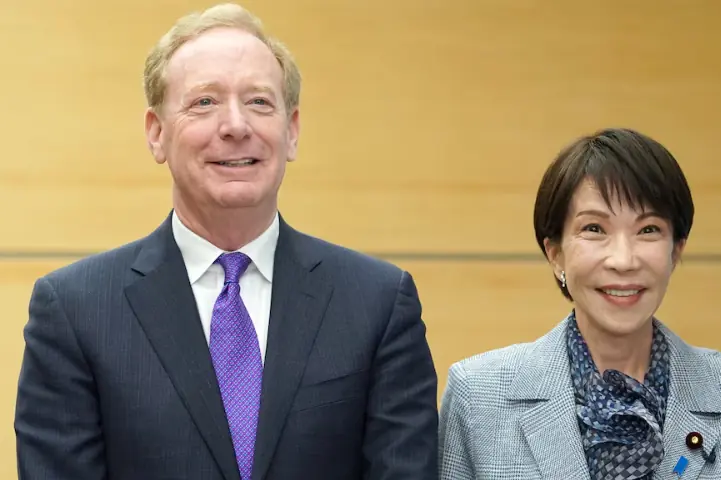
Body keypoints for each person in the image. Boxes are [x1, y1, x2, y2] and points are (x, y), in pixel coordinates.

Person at [14, 3, 439, 479]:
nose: (236, 125)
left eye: (259, 102)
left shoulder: (377, 303)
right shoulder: (75, 311)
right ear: (156, 134)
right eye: (204, 102)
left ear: (292, 131)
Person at [438, 128, 721, 479]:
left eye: (648, 230)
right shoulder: (478, 397)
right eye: (594, 228)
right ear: (555, 253)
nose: (623, 260)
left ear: (676, 251)